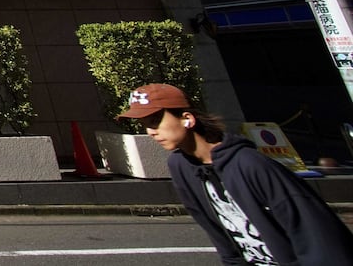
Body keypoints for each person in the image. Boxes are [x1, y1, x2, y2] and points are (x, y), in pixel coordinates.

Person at [121, 82, 353, 265]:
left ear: (187, 119)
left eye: (155, 121)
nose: (151, 131)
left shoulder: (250, 163)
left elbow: (317, 236)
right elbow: (220, 236)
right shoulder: (181, 167)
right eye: (145, 125)